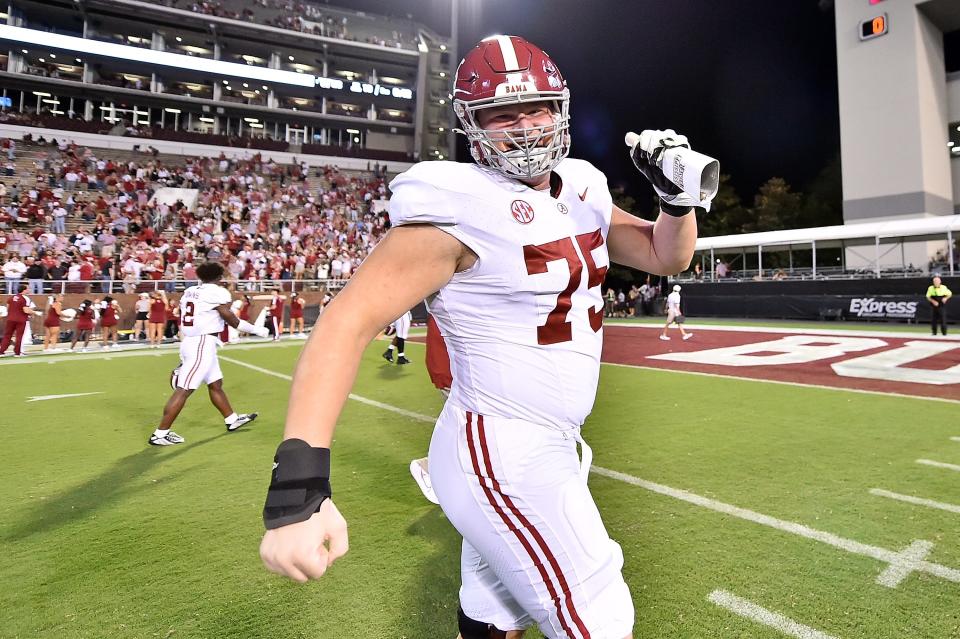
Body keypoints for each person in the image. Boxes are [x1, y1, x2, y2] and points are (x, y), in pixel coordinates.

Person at [258, 35, 711, 639]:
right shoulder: (457, 207)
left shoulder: (580, 184)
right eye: (502, 114)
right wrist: (299, 485)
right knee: (600, 615)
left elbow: (664, 256)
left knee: (496, 613)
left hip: (547, 440)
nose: (524, 128)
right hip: (500, 450)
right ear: (473, 126)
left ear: (562, 110)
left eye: (537, 109)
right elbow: (345, 323)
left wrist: (676, 202)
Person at [148, 261, 270, 446]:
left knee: (215, 384)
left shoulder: (191, 291)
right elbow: (231, 318)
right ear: (219, 277)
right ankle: (160, 433)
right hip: (201, 343)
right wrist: (258, 330)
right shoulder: (217, 292)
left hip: (194, 341)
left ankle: (231, 419)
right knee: (185, 389)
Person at [0, 285, 41, 357]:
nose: (29, 290)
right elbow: (25, 310)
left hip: (10, 319)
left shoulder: (11, 297)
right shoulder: (25, 298)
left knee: (7, 336)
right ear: (24, 290)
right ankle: (17, 352)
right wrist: (35, 312)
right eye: (27, 289)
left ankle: (2, 351)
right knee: (19, 336)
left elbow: (8, 308)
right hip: (20, 320)